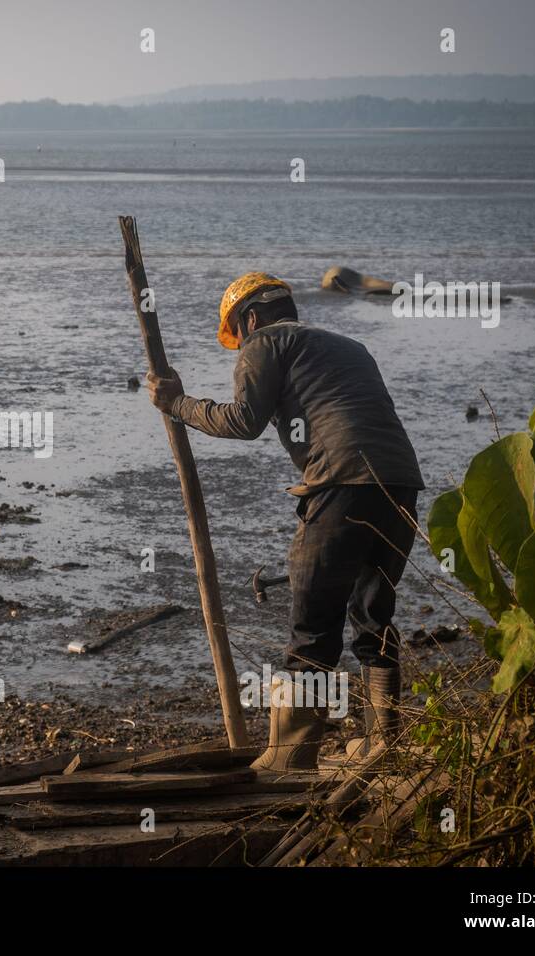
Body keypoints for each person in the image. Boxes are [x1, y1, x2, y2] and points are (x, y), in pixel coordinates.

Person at [146, 272, 424, 772]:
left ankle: (291, 758)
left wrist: (177, 404)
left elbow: (243, 421)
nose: (240, 347)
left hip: (342, 487)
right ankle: (386, 744)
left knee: (313, 624)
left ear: (249, 319)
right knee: (372, 613)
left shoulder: (265, 342)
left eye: (238, 334)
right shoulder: (349, 346)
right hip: (401, 487)